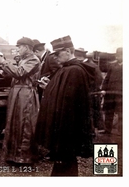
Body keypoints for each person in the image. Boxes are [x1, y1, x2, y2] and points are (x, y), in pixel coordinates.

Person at [35, 35, 95, 176]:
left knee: (66, 158)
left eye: (58, 53)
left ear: (68, 51)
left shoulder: (74, 70)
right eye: (54, 54)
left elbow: (69, 100)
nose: (55, 57)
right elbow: (62, 93)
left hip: (68, 123)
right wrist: (48, 87)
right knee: (63, 159)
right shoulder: (67, 69)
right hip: (64, 121)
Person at [0, 37, 40, 165]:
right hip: (18, 93)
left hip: (26, 95)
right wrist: (0, 67)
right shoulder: (24, 60)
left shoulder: (34, 60)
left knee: (24, 123)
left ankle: (24, 157)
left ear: (27, 47)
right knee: (14, 122)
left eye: (19, 46)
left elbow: (19, 73)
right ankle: (13, 156)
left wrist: (4, 62)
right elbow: (13, 75)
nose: (17, 49)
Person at [101, 47, 122, 135]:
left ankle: (121, 131)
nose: (117, 56)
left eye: (120, 55)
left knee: (121, 112)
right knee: (109, 111)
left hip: (121, 94)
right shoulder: (112, 65)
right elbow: (107, 78)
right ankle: (107, 130)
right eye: (117, 54)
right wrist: (103, 89)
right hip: (110, 93)